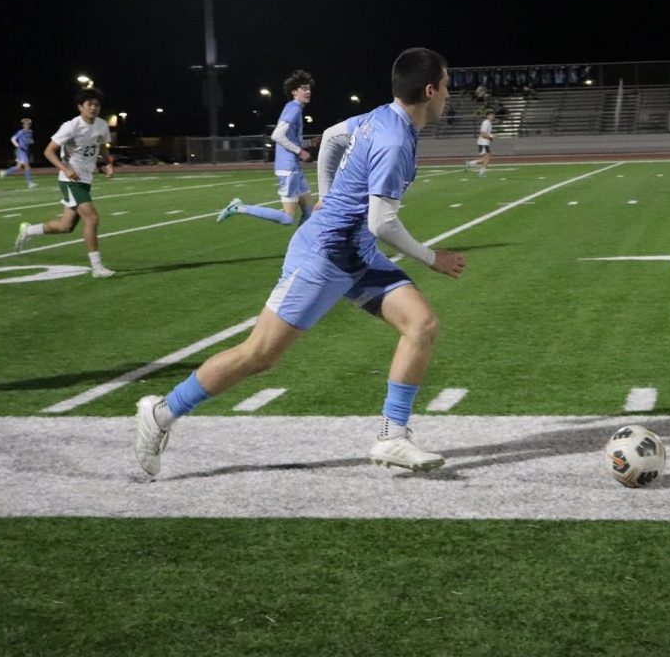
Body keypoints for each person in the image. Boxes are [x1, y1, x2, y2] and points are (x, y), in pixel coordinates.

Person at [134, 48, 467, 477]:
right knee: (260, 355)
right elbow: (382, 221)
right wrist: (432, 258)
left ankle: (392, 436)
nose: (448, 93)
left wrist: (326, 193)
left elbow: (330, 136)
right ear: (429, 89)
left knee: (421, 325)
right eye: (446, 84)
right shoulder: (394, 138)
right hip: (324, 258)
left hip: (355, 255)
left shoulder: (382, 117)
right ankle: (162, 412)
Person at [12, 87, 115, 278]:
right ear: (80, 107)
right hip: (70, 180)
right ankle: (97, 268)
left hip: (85, 180)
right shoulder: (71, 126)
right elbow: (48, 151)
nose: (94, 107)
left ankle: (28, 230)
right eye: (89, 104)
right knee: (92, 219)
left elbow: (102, 146)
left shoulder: (101, 125)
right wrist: (66, 169)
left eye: (97, 104)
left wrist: (107, 163)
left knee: (65, 226)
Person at [217, 71, 313, 226]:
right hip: (289, 169)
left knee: (310, 213)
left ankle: (302, 248)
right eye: (304, 88)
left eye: (309, 88)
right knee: (288, 218)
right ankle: (239, 208)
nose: (308, 91)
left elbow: (291, 140)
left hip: (295, 169)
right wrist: (300, 152)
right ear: (294, 91)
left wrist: (310, 143)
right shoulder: (293, 109)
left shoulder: (294, 108)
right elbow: (277, 135)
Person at [0, 117, 37, 188]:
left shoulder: (30, 132)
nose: (26, 125)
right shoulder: (21, 132)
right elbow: (13, 139)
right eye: (25, 124)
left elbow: (30, 140)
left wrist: (31, 141)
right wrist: (17, 145)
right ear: (23, 125)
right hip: (20, 151)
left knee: (18, 167)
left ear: (29, 125)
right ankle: (30, 183)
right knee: (27, 166)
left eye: (28, 124)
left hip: (25, 151)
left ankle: (4, 172)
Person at [465, 111, 496, 175]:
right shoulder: (486, 123)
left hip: (484, 142)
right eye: (490, 115)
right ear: (487, 116)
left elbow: (485, 134)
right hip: (483, 142)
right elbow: (482, 134)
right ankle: (482, 172)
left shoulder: (489, 123)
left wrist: (490, 137)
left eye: (493, 115)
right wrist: (491, 136)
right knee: (487, 158)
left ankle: (469, 163)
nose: (492, 116)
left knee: (485, 158)